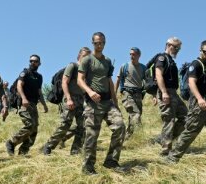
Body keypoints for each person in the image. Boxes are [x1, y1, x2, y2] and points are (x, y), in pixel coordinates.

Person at [166, 40, 206, 164]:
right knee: (191, 132)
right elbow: (191, 82)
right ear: (201, 51)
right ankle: (172, 158)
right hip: (198, 104)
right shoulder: (196, 64)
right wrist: (200, 99)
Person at [77, 32, 126, 175]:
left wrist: (115, 102)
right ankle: (88, 167)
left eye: (102, 42)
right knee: (92, 135)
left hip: (107, 102)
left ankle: (111, 161)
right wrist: (90, 92)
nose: (100, 45)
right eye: (97, 43)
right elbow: (80, 80)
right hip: (93, 103)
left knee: (120, 127)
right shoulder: (87, 60)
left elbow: (109, 81)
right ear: (93, 43)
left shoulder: (108, 61)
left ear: (105, 43)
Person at [42, 47, 90, 156]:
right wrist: (68, 99)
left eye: (88, 57)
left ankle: (75, 151)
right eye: (84, 56)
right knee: (65, 125)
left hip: (80, 100)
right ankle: (48, 146)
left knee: (82, 126)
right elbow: (64, 82)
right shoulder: (72, 66)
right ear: (79, 56)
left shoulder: (86, 71)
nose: (86, 59)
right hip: (70, 98)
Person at [5, 55, 48, 156]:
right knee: (30, 125)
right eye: (31, 61)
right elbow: (19, 85)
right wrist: (23, 98)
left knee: (34, 130)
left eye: (35, 61)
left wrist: (44, 104)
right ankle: (11, 142)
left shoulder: (39, 77)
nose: (33, 63)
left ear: (39, 63)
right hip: (24, 103)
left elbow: (39, 92)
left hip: (33, 104)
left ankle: (23, 152)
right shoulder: (25, 73)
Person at [154, 38, 188, 155]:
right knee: (169, 120)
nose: (177, 50)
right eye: (176, 47)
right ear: (169, 45)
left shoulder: (171, 60)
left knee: (186, 117)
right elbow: (158, 75)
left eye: (179, 48)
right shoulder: (162, 58)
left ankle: (164, 139)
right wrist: (164, 92)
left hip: (173, 93)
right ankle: (165, 150)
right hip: (166, 92)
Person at [115, 47, 146, 138]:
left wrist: (154, 95)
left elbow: (148, 82)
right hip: (127, 93)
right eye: (130, 54)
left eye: (134, 54)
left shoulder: (143, 68)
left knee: (134, 115)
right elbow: (118, 80)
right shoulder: (124, 66)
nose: (131, 56)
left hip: (138, 94)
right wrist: (114, 94)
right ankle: (140, 136)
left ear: (139, 55)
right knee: (136, 114)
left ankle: (128, 137)